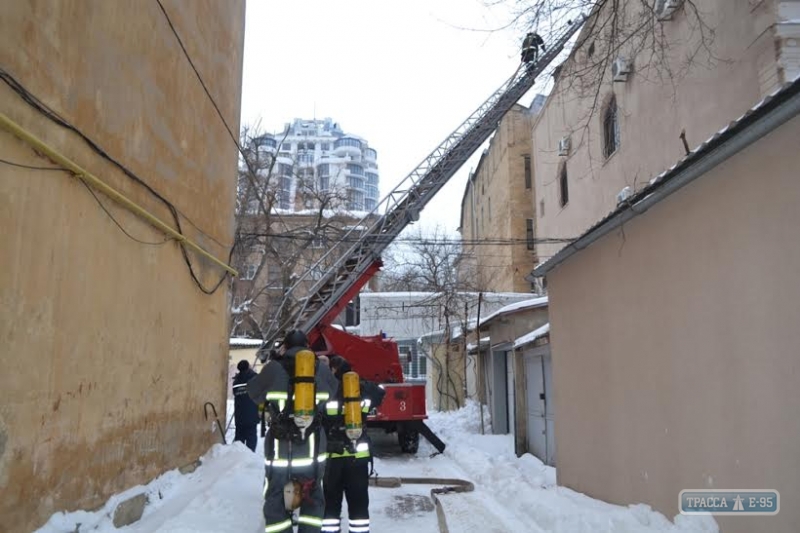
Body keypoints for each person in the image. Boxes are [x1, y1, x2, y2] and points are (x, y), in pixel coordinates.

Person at [247, 330, 338, 533]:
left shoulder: (274, 367)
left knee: (275, 497)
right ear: (307, 347)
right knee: (313, 496)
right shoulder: (319, 369)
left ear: (285, 347)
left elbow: (253, 392)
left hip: (280, 448)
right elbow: (333, 393)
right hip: (313, 447)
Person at [321, 356, 386, 533]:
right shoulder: (361, 389)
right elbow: (380, 392)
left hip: (332, 458)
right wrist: (361, 383)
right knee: (359, 504)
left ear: (334, 370)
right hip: (358, 457)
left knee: (331, 504)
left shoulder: (326, 389)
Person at [232, 359, 259, 451]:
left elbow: (235, 393)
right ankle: (249, 457)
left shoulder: (236, 381)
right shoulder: (254, 378)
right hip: (251, 414)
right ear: (248, 367)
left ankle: (239, 457)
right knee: (251, 437)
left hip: (239, 414)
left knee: (239, 437)